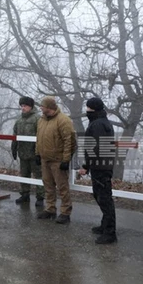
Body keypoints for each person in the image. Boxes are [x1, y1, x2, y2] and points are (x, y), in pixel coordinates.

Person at [78, 97, 117, 244]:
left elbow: (95, 148)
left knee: (104, 199)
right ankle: (105, 225)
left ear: (92, 109)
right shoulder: (102, 122)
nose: (86, 110)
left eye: (88, 107)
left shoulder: (97, 125)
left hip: (100, 166)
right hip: (102, 165)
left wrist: (86, 166)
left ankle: (110, 233)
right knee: (101, 196)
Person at [35, 96, 77, 224]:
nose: (41, 108)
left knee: (62, 187)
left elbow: (69, 141)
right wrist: (37, 153)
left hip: (58, 160)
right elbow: (39, 137)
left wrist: (66, 160)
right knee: (48, 185)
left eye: (43, 106)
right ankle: (50, 208)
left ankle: (65, 212)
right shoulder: (41, 120)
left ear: (49, 107)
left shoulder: (63, 120)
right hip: (45, 159)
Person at [11, 96, 45, 206]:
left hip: (34, 153)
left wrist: (38, 153)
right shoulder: (19, 120)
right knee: (24, 174)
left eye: (25, 105)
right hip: (23, 153)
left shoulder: (38, 119)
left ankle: (40, 197)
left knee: (39, 175)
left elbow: (41, 137)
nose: (23, 108)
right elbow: (15, 135)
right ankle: (25, 194)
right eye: (21, 106)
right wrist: (14, 149)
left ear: (30, 106)